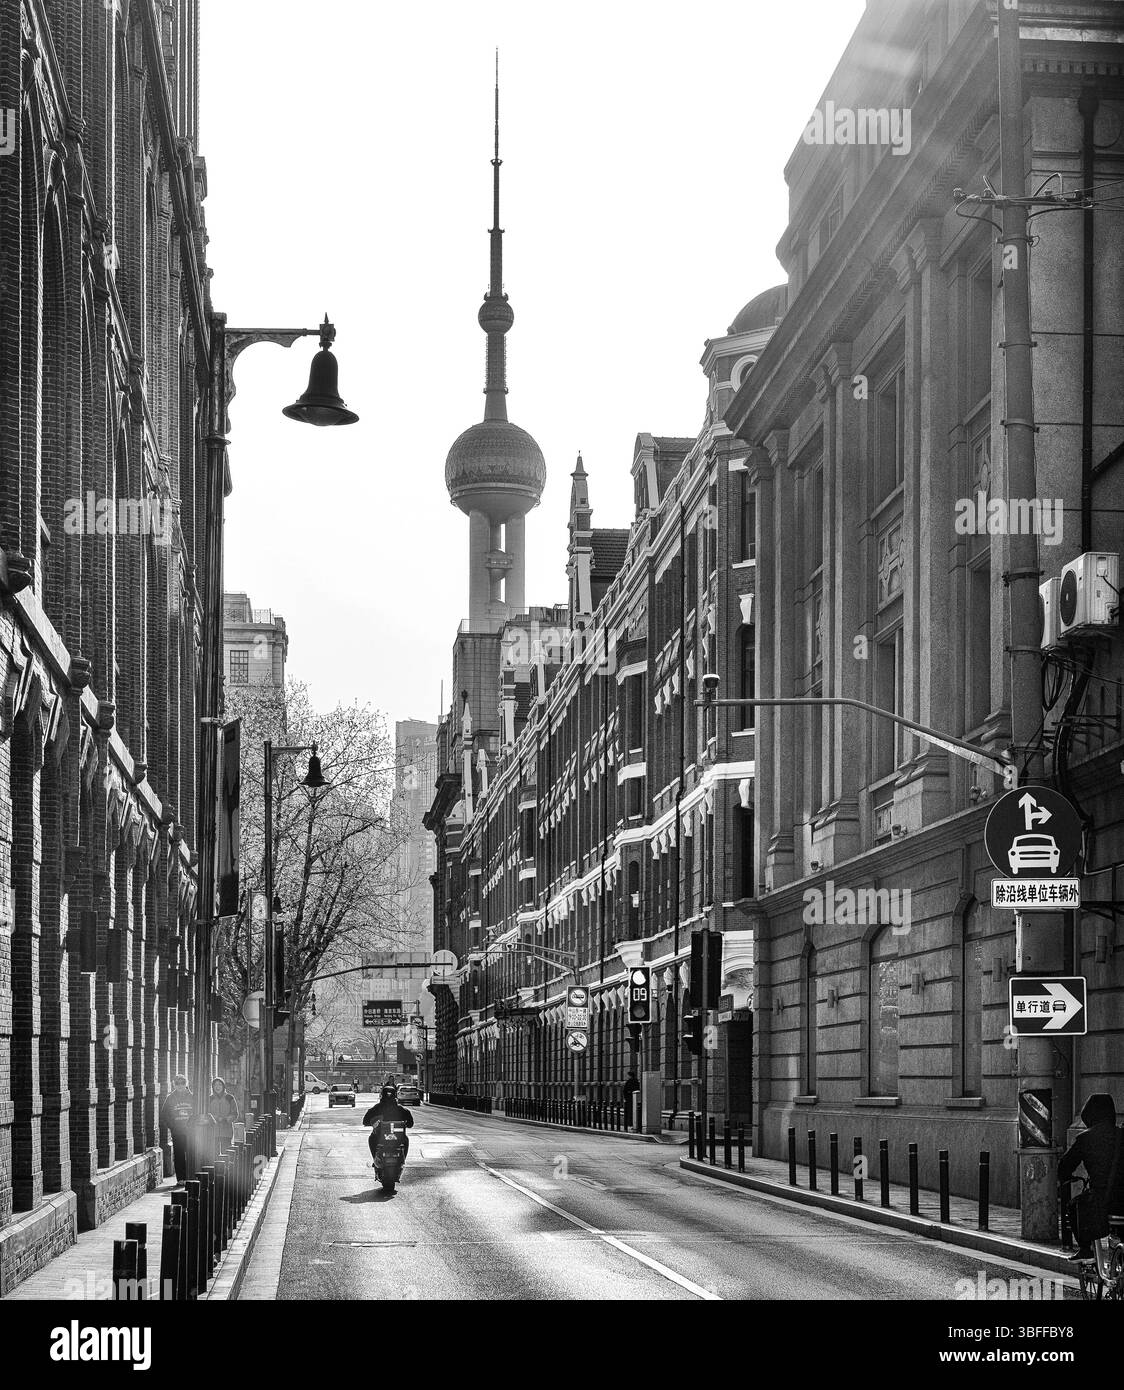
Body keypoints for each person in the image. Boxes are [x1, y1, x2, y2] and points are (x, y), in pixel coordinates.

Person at [1059, 1092, 1124, 1259]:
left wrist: (1065, 1179)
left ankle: (1085, 1249)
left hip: (1102, 1201)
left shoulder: (1086, 1138)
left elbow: (1065, 1166)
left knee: (1075, 1206)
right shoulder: (1121, 1135)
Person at [363, 1084, 414, 1168]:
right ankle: (402, 1160)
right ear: (395, 1096)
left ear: (382, 1095)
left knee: (371, 1138)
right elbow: (410, 1124)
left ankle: (375, 1159)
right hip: (398, 1137)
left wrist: (371, 1123)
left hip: (380, 1137)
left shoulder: (377, 1108)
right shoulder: (402, 1109)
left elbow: (365, 1121)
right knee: (405, 1139)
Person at [159, 1075, 194, 1182]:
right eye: (177, 1083)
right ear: (174, 1084)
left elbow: (197, 1111)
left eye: (182, 1083)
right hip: (177, 1131)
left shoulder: (192, 1096)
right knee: (179, 1155)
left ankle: (190, 1177)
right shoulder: (170, 1098)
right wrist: (172, 1126)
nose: (180, 1085)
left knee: (191, 1154)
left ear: (186, 1084)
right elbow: (164, 1114)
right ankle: (181, 1178)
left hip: (191, 1131)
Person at [206, 1077, 240, 1152]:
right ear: (213, 1087)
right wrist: (215, 1118)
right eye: (215, 1085)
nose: (217, 1087)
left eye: (220, 1085)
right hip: (214, 1131)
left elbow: (235, 1113)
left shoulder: (229, 1098)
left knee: (227, 1152)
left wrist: (226, 1119)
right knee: (214, 1154)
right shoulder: (210, 1099)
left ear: (223, 1086)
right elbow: (207, 1114)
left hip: (226, 1131)